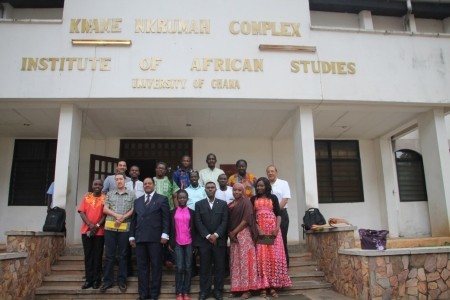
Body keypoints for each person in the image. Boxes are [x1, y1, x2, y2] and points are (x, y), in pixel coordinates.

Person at [129, 177, 170, 300]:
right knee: (142, 267)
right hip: (140, 238)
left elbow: (166, 219)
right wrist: (131, 235)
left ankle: (154, 294)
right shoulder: (138, 201)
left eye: (149, 183)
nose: (147, 185)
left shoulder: (162, 199)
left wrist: (165, 234)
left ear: (154, 185)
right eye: (145, 184)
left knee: (156, 266)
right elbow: (134, 220)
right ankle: (143, 294)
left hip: (155, 238)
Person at [251, 177, 291, 298]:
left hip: (273, 232)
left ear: (267, 186)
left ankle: (273, 286)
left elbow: (278, 214)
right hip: (261, 233)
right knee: (262, 259)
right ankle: (263, 287)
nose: (259, 188)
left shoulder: (273, 198)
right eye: (258, 186)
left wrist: (277, 228)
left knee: (273, 258)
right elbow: (252, 217)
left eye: (262, 185)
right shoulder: (253, 199)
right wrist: (259, 230)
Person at [100, 173, 135, 293]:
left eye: (121, 179)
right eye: (117, 179)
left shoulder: (131, 194)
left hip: (125, 229)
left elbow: (133, 209)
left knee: (123, 255)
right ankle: (107, 281)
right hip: (110, 228)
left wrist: (123, 217)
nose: (119, 181)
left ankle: (122, 281)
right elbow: (105, 209)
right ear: (115, 181)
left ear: (125, 181)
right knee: (109, 256)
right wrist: (117, 216)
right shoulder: (110, 194)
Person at [195, 182, 228, 300]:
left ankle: (218, 291)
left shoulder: (223, 204)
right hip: (204, 242)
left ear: (215, 189)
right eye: (208, 188)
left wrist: (216, 235)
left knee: (219, 267)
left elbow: (225, 221)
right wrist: (208, 235)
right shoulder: (199, 204)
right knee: (205, 267)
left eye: (212, 188)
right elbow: (198, 222)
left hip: (219, 241)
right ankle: (204, 291)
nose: (210, 189)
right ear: (205, 190)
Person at [227, 183, 259, 299]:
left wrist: (234, 231)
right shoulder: (231, 204)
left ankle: (247, 289)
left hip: (244, 235)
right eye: (234, 190)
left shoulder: (246, 202)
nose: (236, 192)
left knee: (245, 262)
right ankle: (237, 289)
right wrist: (231, 233)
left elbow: (246, 219)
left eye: (239, 190)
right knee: (235, 262)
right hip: (234, 237)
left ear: (243, 191)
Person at [78, 179, 106, 290]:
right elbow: (81, 212)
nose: (97, 186)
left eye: (100, 184)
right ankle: (88, 280)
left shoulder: (105, 198)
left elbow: (105, 214)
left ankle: (96, 280)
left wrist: (97, 226)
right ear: (92, 185)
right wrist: (90, 225)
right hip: (86, 232)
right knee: (88, 256)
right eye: (95, 184)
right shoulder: (86, 197)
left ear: (103, 186)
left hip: (99, 233)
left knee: (98, 256)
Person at [170, 189, 195, 300]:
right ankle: (179, 292)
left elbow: (195, 229)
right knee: (179, 267)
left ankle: (186, 292)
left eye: (184, 197)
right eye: (180, 197)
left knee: (188, 267)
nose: (182, 199)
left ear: (187, 199)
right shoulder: (172, 212)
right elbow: (170, 228)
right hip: (178, 243)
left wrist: (195, 244)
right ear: (177, 199)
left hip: (189, 242)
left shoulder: (192, 212)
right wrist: (171, 243)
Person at [266, 165, 291, 267]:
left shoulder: (283, 183)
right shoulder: (265, 184)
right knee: (268, 239)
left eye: (272, 171)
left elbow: (285, 199)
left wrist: (275, 211)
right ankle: (271, 263)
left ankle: (285, 264)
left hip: (281, 213)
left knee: (282, 238)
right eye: (268, 171)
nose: (270, 173)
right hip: (267, 216)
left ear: (276, 172)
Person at [154, 161, 179, 268]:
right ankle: (157, 258)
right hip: (154, 212)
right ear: (156, 169)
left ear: (165, 170)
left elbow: (175, 196)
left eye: (163, 168)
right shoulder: (151, 181)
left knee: (167, 235)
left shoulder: (170, 181)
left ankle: (168, 258)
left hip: (168, 211)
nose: (160, 170)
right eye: (159, 168)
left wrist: (177, 210)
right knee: (156, 235)